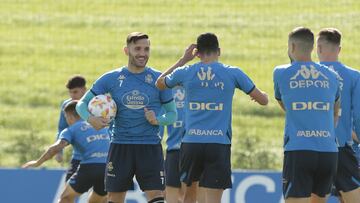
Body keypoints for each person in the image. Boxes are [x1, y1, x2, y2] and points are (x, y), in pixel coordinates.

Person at [156, 32, 268, 203]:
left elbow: (159, 83)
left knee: (188, 198)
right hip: (218, 144)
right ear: (219, 51)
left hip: (191, 143)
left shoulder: (186, 71)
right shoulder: (233, 73)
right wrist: (261, 95)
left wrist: (183, 60)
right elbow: (264, 101)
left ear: (198, 53)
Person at [76, 32, 177, 203]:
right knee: (115, 198)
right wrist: (90, 118)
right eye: (137, 48)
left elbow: (173, 114)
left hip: (150, 147)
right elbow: (81, 104)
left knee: (157, 198)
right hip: (120, 146)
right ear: (126, 50)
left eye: (146, 49)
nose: (142, 53)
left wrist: (158, 120)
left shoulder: (159, 80)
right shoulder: (110, 78)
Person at [273, 27, 341, 203]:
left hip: (299, 150)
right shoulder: (332, 75)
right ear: (313, 47)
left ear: (292, 47)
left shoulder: (280, 72)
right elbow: (336, 111)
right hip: (328, 151)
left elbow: (284, 104)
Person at [23, 100, 110, 203]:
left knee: (66, 198)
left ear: (70, 117)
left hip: (89, 167)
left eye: (66, 117)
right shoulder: (102, 126)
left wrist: (37, 163)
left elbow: (57, 147)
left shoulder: (71, 129)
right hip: (108, 169)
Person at [316, 28, 360, 203]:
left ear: (318, 48)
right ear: (339, 49)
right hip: (342, 147)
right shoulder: (354, 76)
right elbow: (357, 115)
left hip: (313, 146)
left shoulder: (309, 76)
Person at [56, 75, 87, 181]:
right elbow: (61, 128)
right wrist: (59, 151)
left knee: (101, 194)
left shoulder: (96, 103)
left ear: (84, 90)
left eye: (75, 92)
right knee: (67, 191)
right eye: (70, 92)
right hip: (78, 156)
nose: (72, 95)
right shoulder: (67, 105)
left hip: (99, 156)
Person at [164, 85, 186, 203]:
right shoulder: (166, 91)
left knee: (190, 195)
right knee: (172, 196)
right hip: (174, 149)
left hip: (192, 148)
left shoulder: (197, 87)